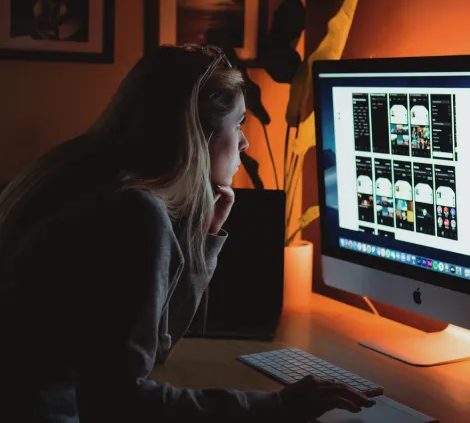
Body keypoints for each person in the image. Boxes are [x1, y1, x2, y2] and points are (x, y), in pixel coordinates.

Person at [0, 44, 375, 422]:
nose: (244, 143)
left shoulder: (73, 172)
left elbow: (149, 353)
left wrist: (205, 237)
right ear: (199, 133)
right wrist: (278, 406)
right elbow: (120, 402)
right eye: (239, 123)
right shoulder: (135, 213)